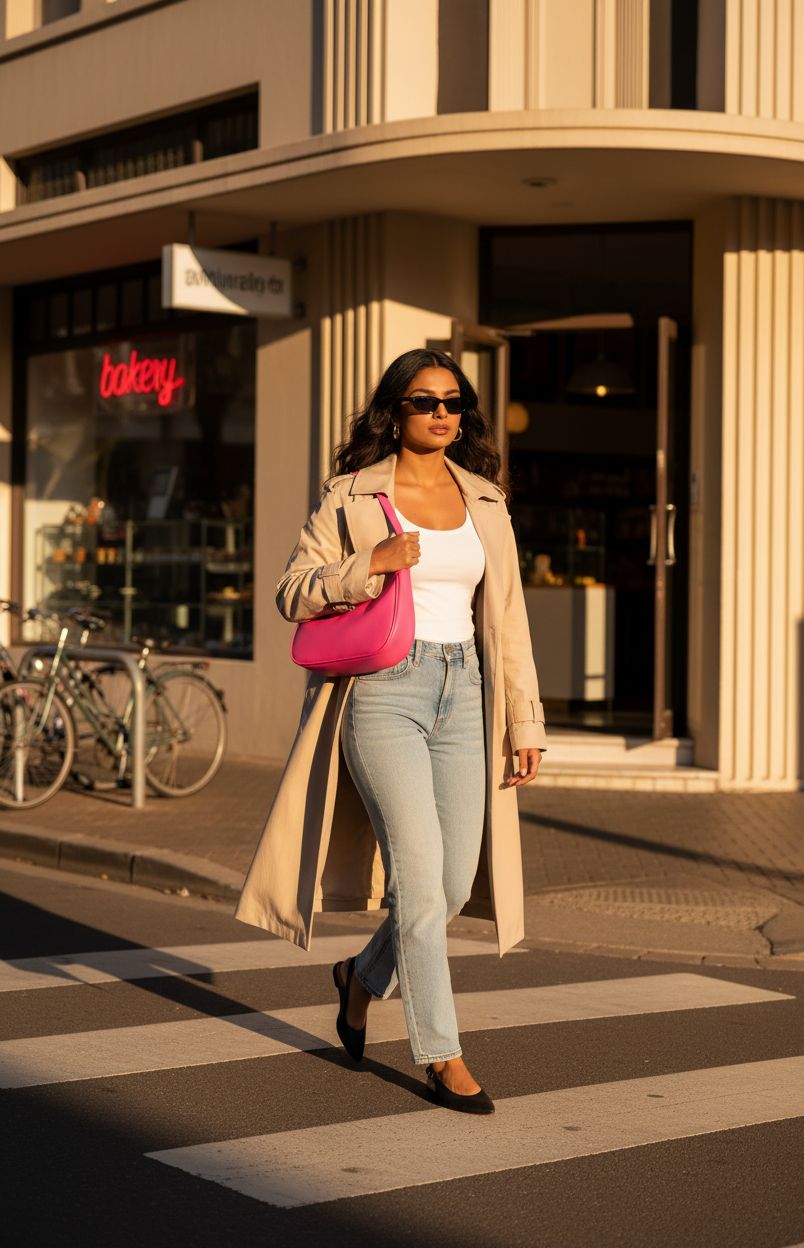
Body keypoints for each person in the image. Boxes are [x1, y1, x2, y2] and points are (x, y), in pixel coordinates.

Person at [235, 348, 546, 1114]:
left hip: (465, 688)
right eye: (423, 401)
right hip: (382, 691)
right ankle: (441, 1053)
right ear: (394, 411)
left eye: (454, 402)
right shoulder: (351, 496)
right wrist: (367, 563)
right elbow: (290, 593)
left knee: (446, 881)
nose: (442, 414)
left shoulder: (486, 500)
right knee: (416, 871)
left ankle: (360, 978)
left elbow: (507, 619)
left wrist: (523, 721)